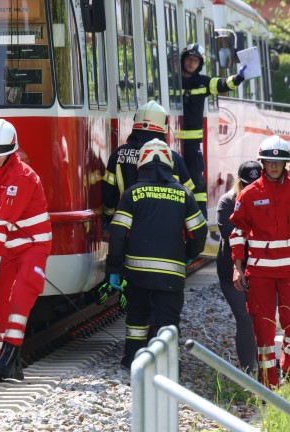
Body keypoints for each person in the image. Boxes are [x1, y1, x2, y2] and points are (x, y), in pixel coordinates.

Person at [105, 139, 207, 368]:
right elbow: (199, 233)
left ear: (141, 164)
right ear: (170, 165)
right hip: (171, 275)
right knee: (168, 323)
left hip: (137, 274)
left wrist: (114, 269)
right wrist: (187, 255)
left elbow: (118, 235)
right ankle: (169, 366)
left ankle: (132, 360)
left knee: (137, 320)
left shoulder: (132, 194)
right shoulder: (184, 195)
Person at [0, 118, 52, 379]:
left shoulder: (21, 177)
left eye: (0, 155)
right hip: (8, 247)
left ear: (12, 151)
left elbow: (4, 220)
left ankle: (8, 358)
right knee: (0, 301)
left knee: (21, 296)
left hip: (33, 246)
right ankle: (5, 356)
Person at [230, 136, 290, 389]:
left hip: (289, 272)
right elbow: (237, 234)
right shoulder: (249, 194)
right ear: (262, 162)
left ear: (285, 163)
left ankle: (287, 375)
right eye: (269, 162)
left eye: (279, 162)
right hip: (260, 273)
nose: (274, 166)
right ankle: (269, 386)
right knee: (264, 332)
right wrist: (237, 267)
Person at [176, 43, 247, 218]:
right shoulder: (170, 81)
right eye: (189, 59)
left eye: (195, 61)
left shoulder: (203, 82)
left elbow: (223, 84)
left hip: (192, 143)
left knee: (196, 181)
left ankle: (200, 217)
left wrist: (238, 78)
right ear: (183, 60)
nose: (191, 63)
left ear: (199, 65)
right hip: (171, 139)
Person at [102, 100, 194, 232]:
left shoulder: (118, 154)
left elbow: (108, 193)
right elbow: (189, 195)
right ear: (163, 127)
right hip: (166, 229)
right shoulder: (173, 158)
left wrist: (110, 217)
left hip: (126, 228)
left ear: (135, 124)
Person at [216, 161, 260, 375]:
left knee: (262, 318)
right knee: (245, 318)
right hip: (231, 271)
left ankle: (265, 368)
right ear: (239, 183)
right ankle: (248, 371)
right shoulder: (227, 202)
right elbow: (233, 236)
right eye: (246, 184)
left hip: (263, 269)